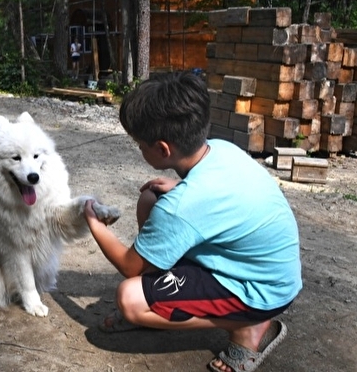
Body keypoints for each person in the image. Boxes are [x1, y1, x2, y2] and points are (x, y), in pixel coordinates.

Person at [83, 71, 302, 372]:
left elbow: (129, 265)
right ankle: (169, 302)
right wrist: (177, 191)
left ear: (162, 149)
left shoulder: (182, 207)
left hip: (262, 292)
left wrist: (94, 223)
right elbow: (220, 197)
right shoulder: (223, 149)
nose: (139, 150)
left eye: (140, 145)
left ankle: (247, 327)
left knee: (130, 298)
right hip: (273, 271)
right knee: (150, 198)